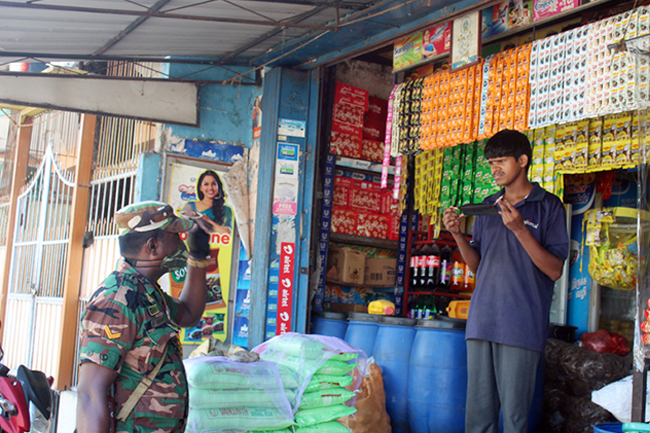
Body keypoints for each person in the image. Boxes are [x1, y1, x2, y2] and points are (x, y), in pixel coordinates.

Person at [442, 129, 569, 433]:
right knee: (478, 419)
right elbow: (478, 266)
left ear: (522, 161)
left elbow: (554, 270)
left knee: (514, 419)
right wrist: (458, 234)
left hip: (521, 324)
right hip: (482, 320)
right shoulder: (489, 206)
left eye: (500, 161)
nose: (494, 169)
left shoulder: (548, 206)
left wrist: (520, 229)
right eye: (490, 163)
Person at [76, 201, 212, 433]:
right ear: (152, 246)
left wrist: (198, 255)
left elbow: (189, 313)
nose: (181, 243)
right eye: (175, 236)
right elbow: (90, 393)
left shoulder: (146, 292)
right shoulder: (118, 299)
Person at [182, 170, 233, 235]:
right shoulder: (190, 205)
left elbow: (227, 233)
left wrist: (207, 220)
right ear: (200, 188)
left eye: (214, 184)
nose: (210, 187)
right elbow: (180, 227)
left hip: (215, 244)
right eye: (206, 184)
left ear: (218, 187)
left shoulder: (226, 210)